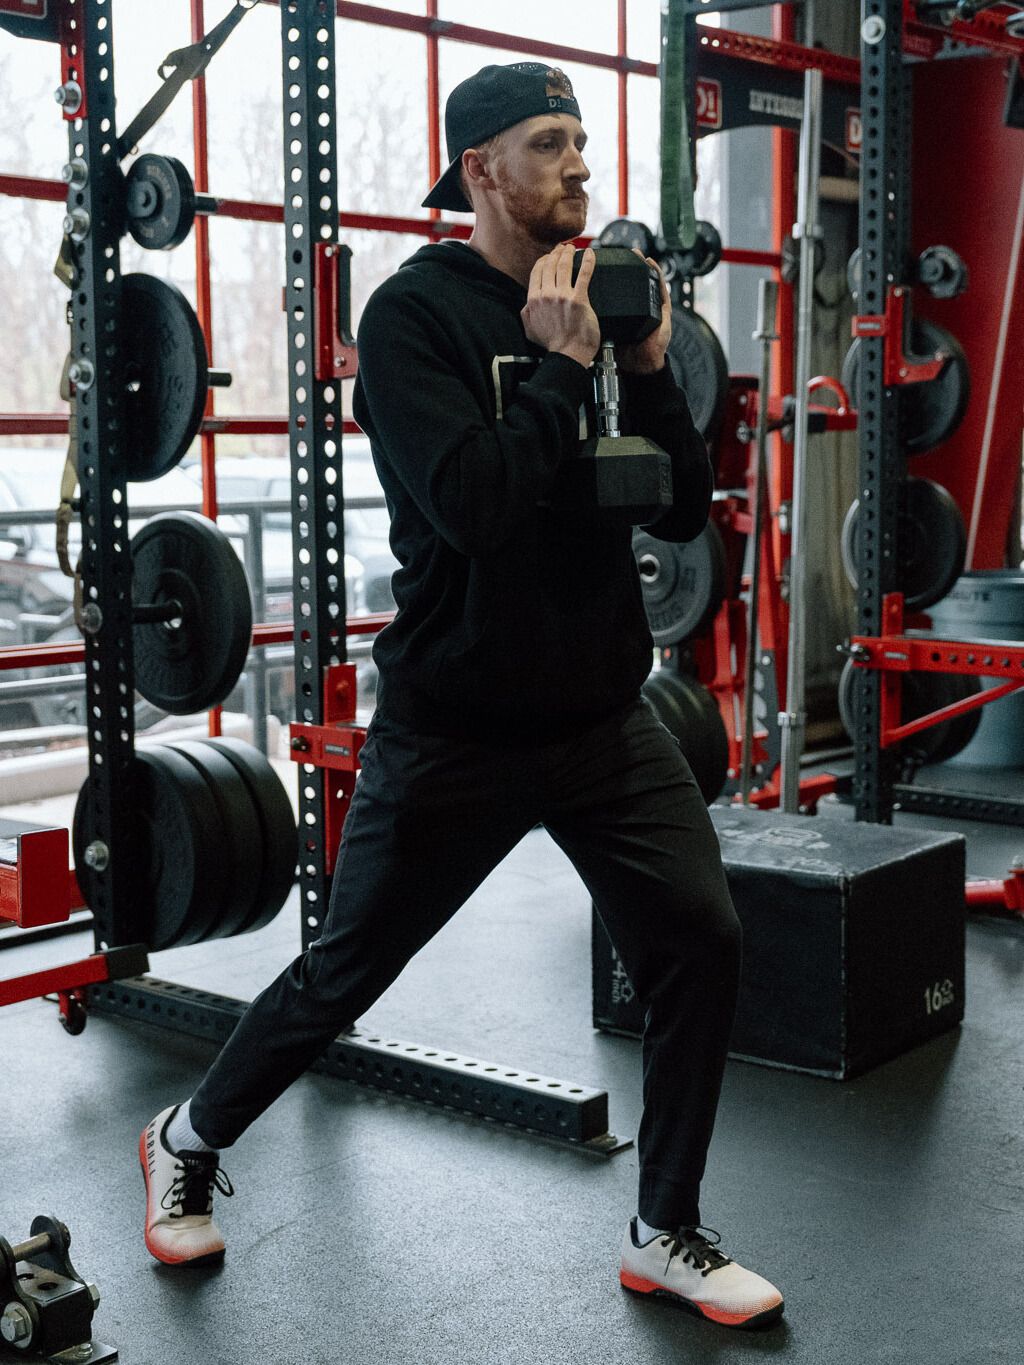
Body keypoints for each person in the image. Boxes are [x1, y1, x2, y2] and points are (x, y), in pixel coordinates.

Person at [140, 61, 784, 1331]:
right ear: (481, 170)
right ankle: (188, 1135)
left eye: (583, 144)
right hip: (457, 730)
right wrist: (557, 366)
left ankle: (664, 1228)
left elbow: (675, 500)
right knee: (341, 978)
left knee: (700, 944)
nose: (581, 170)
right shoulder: (413, 320)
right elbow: (478, 508)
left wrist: (646, 359)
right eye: (552, 146)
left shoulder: (607, 299)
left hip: (604, 718)